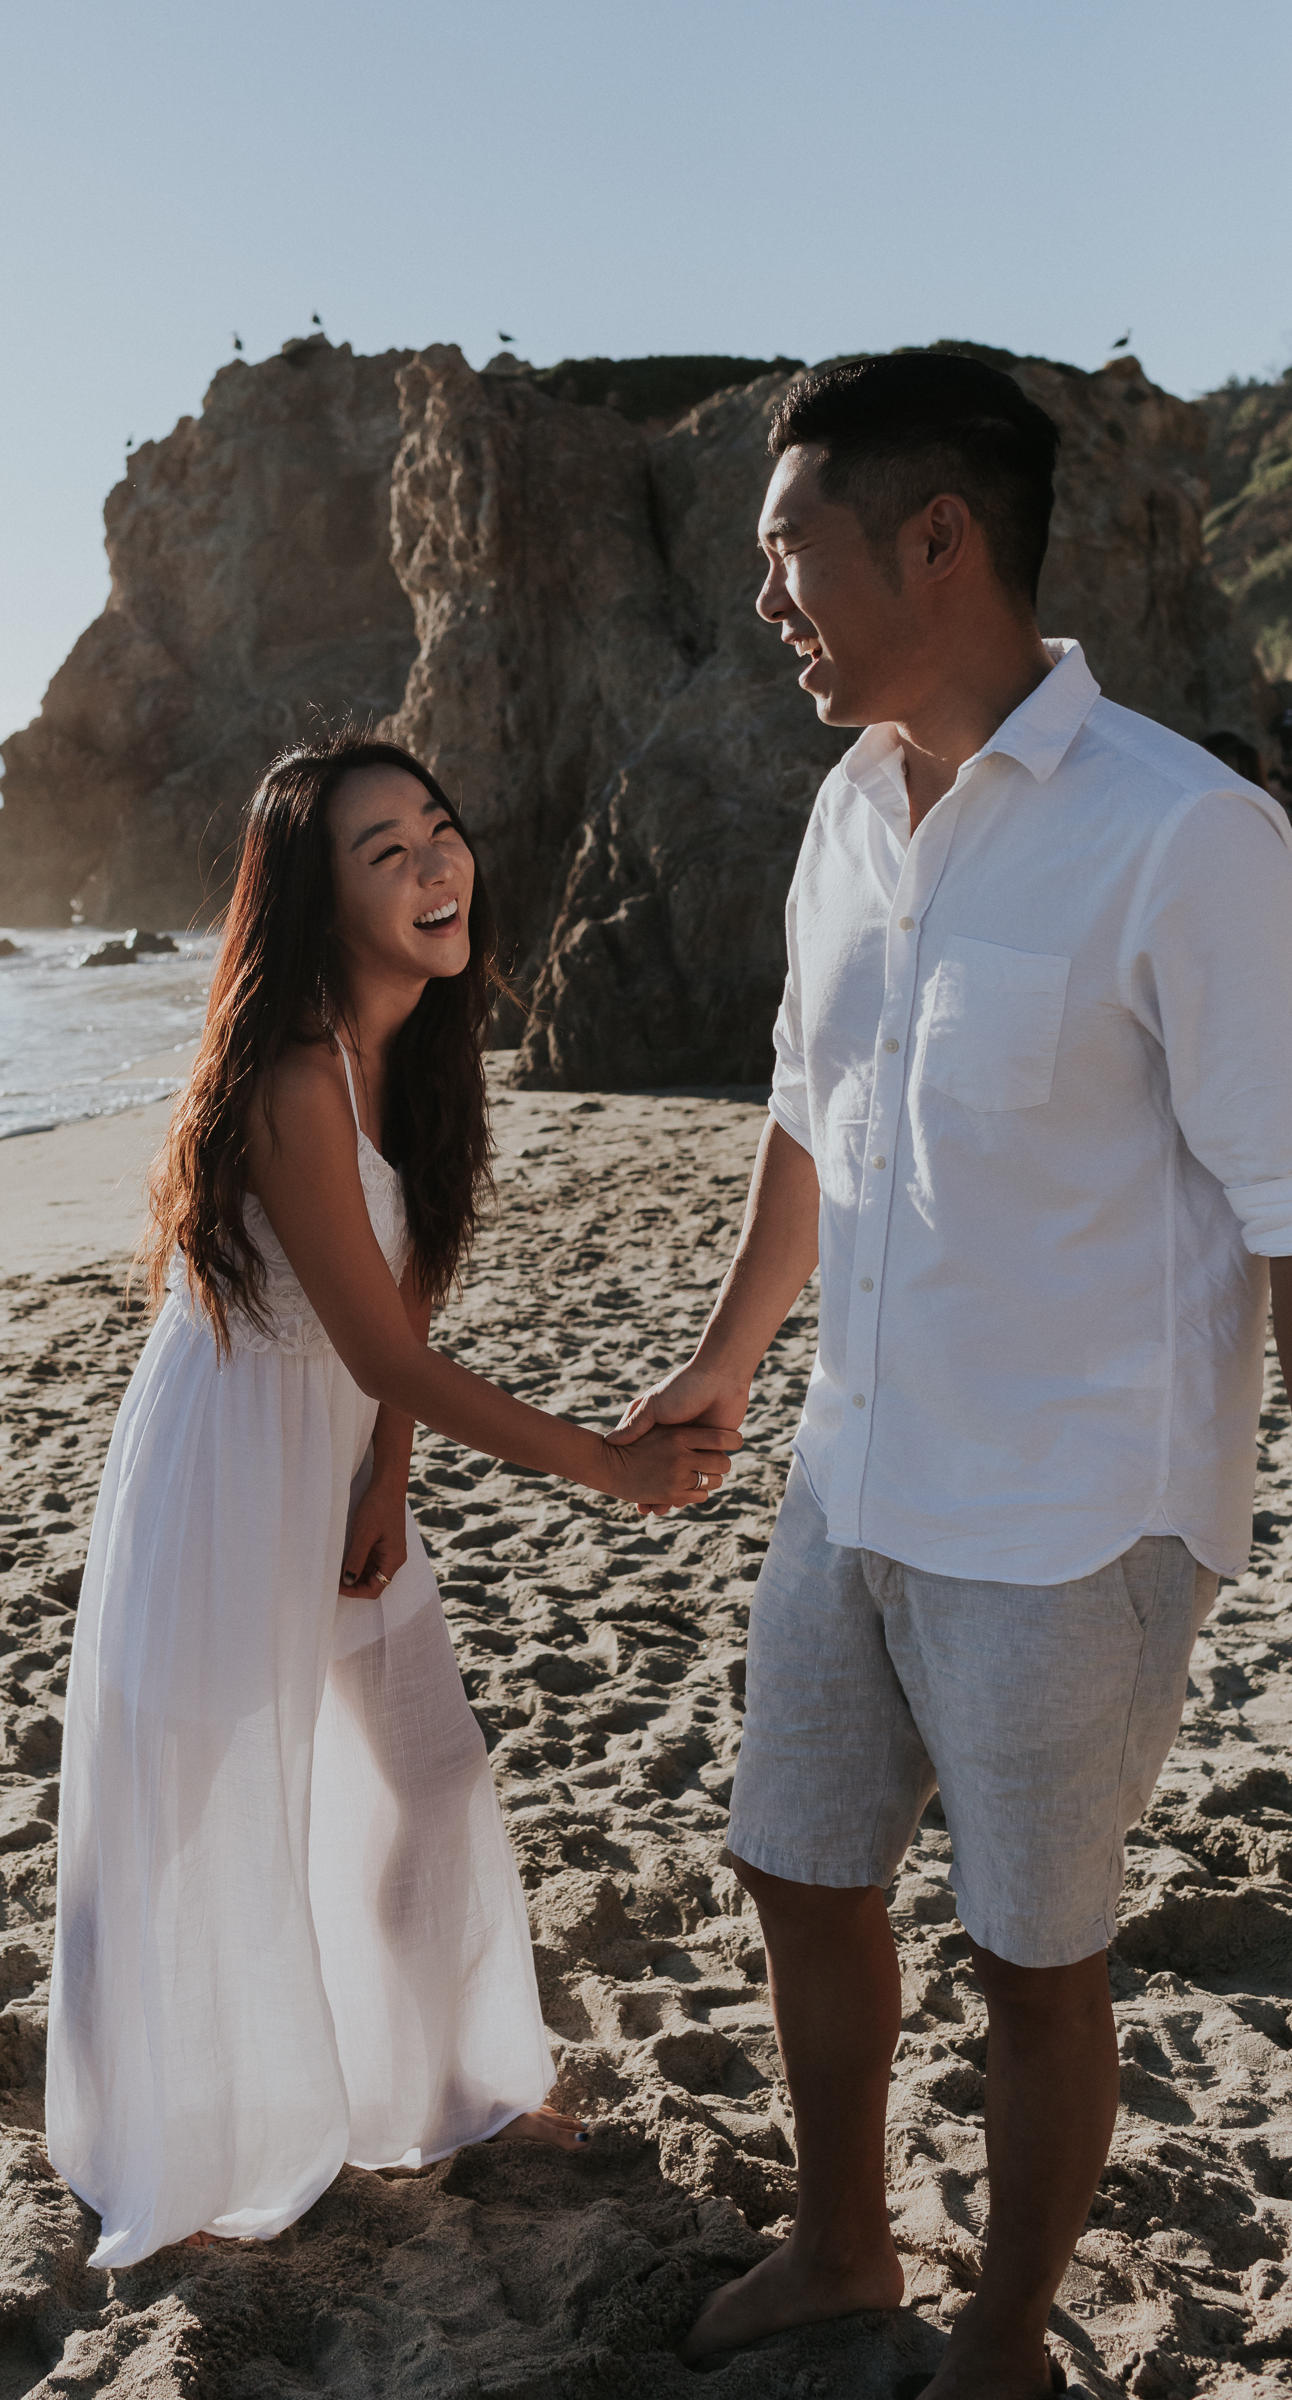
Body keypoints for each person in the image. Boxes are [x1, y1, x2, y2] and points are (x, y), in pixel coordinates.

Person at [612, 352, 1292, 2398]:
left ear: (935, 537)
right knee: (790, 1867)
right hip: (851, 1464)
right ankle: (842, 2251)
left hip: (1073, 1507)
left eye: (787, 552)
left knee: (1032, 1956)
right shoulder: (841, 807)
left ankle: (1000, 2333)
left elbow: (1281, 1203)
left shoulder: (1185, 838)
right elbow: (810, 1116)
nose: (765, 602)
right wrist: (729, 1363)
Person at [45, 734, 740, 2267]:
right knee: (185, 1798)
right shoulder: (294, 1075)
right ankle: (139, 2119)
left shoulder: (415, 1047)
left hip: (341, 1454)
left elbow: (397, 1317)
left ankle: (462, 2088)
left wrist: (389, 1478)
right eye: (385, 852)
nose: (437, 866)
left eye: (440, 831)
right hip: (227, 1467)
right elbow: (373, 1343)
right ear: (315, 897)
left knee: (422, 1777)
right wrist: (604, 1461)